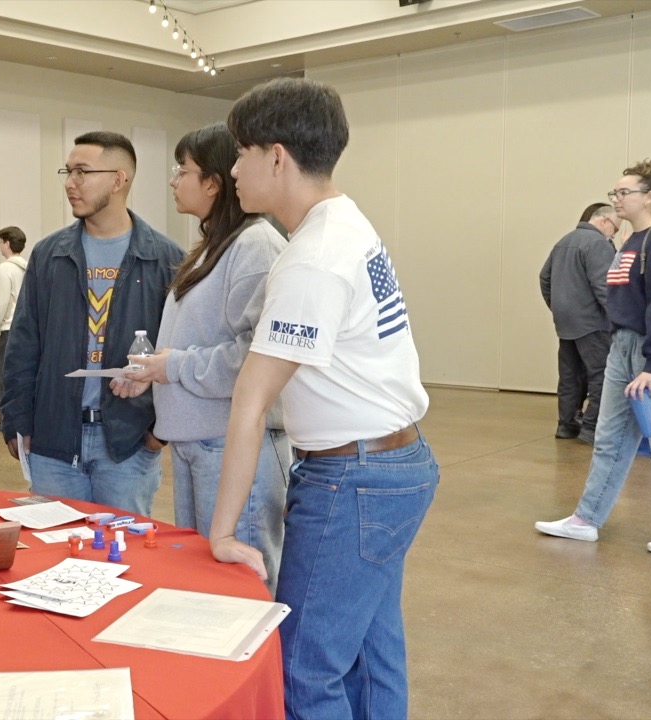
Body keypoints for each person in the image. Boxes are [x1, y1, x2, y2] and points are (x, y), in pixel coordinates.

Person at [209, 78, 438, 719]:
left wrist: (223, 531)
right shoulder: (344, 219)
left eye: (241, 152)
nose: (233, 169)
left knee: (304, 670)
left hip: (354, 478)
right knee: (371, 655)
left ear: (276, 157)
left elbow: (251, 400)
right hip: (394, 466)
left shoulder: (312, 257)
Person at [114, 123, 289, 589]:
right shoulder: (214, 244)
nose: (173, 181)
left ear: (213, 181)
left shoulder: (254, 245)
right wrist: (154, 372)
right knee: (205, 583)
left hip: (229, 445)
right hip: (198, 442)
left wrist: (172, 366)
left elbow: (258, 357)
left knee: (241, 587)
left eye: (182, 170)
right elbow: (199, 338)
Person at [536, 157, 651, 556]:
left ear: (649, 197)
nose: (615, 198)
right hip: (622, 346)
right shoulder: (628, 241)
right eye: (613, 193)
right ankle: (586, 519)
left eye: (623, 192)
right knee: (610, 437)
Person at [0, 131, 185, 516]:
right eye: (67, 172)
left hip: (127, 445)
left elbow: (178, 352)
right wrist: (15, 420)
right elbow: (23, 342)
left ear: (119, 179)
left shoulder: (165, 259)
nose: (70, 183)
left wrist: (156, 435)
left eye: (82, 172)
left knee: (124, 559)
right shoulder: (50, 254)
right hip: (53, 442)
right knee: (55, 558)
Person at [539, 203, 618, 444]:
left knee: (570, 376)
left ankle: (566, 425)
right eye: (615, 227)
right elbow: (604, 287)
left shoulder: (564, 241)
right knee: (601, 375)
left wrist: (558, 308)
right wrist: (618, 319)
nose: (614, 233)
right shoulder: (597, 244)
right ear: (604, 220)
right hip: (593, 323)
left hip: (566, 323)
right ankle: (591, 429)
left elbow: (544, 278)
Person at [0, 226, 29, 431]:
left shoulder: (5, 268)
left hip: (8, 330)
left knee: (0, 378)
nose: (0, 247)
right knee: (19, 377)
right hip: (24, 329)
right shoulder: (27, 267)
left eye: (0, 242)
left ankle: (5, 420)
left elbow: (2, 302)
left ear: (7, 243)